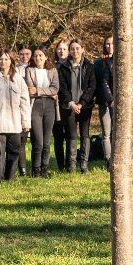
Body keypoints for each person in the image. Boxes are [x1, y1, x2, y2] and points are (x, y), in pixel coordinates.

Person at [0, 51, 30, 181]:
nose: (3, 62)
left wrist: (26, 122)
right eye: (1, 59)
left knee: (14, 152)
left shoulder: (18, 79)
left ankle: (10, 177)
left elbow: (25, 102)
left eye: (6, 59)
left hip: (15, 124)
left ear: (11, 62)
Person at [58, 39, 99, 172]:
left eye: (77, 48)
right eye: (72, 49)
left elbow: (92, 87)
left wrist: (82, 103)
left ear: (82, 49)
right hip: (69, 107)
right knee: (71, 135)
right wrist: (71, 103)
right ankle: (72, 165)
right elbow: (62, 88)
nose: (75, 51)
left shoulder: (89, 66)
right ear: (69, 51)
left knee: (85, 135)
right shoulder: (63, 67)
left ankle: (84, 164)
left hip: (84, 107)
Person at [25, 49, 59, 176]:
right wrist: (47, 91)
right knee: (38, 141)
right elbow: (29, 89)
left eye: (40, 55)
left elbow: (55, 89)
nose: (38, 58)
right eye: (35, 55)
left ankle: (45, 168)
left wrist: (38, 91)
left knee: (46, 141)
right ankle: (36, 168)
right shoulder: (29, 70)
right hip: (35, 106)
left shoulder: (52, 70)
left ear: (45, 57)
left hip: (49, 107)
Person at [95, 38, 117, 166]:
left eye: (112, 43)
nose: (110, 46)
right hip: (104, 101)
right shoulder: (98, 62)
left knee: (117, 131)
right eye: (107, 44)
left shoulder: (120, 60)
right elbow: (98, 82)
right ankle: (108, 160)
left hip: (118, 101)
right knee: (106, 133)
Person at [53, 38, 72, 170]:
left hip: (69, 105)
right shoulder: (51, 66)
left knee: (70, 136)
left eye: (64, 49)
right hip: (55, 105)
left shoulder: (72, 65)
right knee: (58, 137)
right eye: (59, 49)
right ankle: (60, 165)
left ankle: (70, 162)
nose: (62, 51)